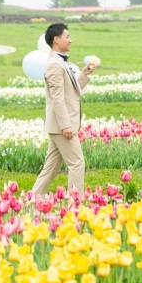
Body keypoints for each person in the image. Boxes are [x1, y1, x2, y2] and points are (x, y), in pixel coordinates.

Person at [31, 23, 97, 198]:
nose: (70, 40)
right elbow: (57, 99)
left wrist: (83, 74)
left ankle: (33, 199)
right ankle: (75, 204)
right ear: (56, 39)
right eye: (67, 37)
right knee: (77, 163)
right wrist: (65, 125)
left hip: (58, 126)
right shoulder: (54, 64)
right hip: (62, 126)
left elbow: (71, 92)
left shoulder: (59, 62)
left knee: (51, 167)